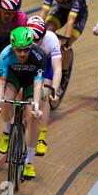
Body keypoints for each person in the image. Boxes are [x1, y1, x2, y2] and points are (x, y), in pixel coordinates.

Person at [0, 27, 47, 179]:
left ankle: (29, 161)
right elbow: (0, 84)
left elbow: (37, 85)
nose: (22, 54)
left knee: (32, 117)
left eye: (26, 50)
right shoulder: (5, 55)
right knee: (5, 103)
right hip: (13, 79)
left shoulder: (39, 56)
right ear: (12, 47)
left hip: (31, 82)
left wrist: (35, 106)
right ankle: (7, 131)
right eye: (18, 50)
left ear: (31, 46)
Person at [39, 0, 88, 95]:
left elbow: (71, 22)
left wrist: (66, 41)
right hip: (61, 12)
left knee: (65, 46)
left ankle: (63, 75)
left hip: (78, 17)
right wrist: (38, 29)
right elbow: (43, 12)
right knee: (47, 29)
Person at [26, 16, 62, 156]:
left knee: (44, 95)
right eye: (32, 40)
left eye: (37, 40)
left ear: (43, 36)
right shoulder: (23, 35)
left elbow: (57, 69)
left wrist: (55, 90)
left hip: (45, 64)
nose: (34, 43)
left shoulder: (51, 39)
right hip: (29, 62)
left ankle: (41, 137)